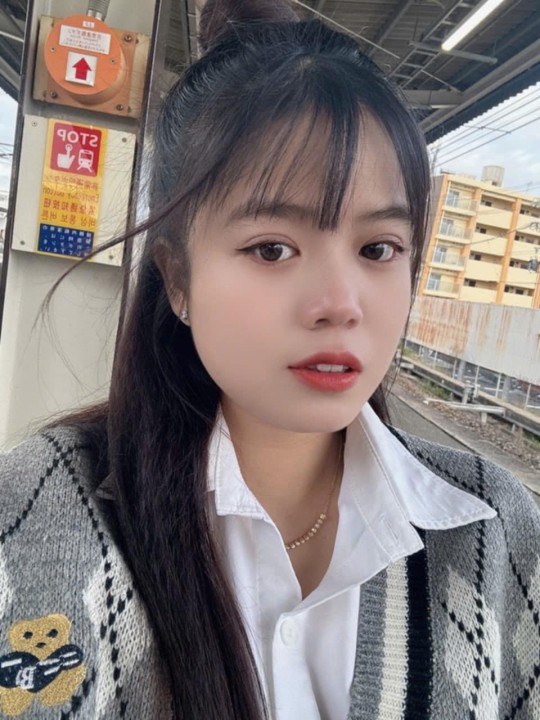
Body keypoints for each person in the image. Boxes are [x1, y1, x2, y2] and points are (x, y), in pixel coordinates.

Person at [0, 1, 539, 718]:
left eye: (378, 248)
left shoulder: (498, 530)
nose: (340, 304)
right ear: (178, 280)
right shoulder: (33, 509)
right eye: (273, 248)